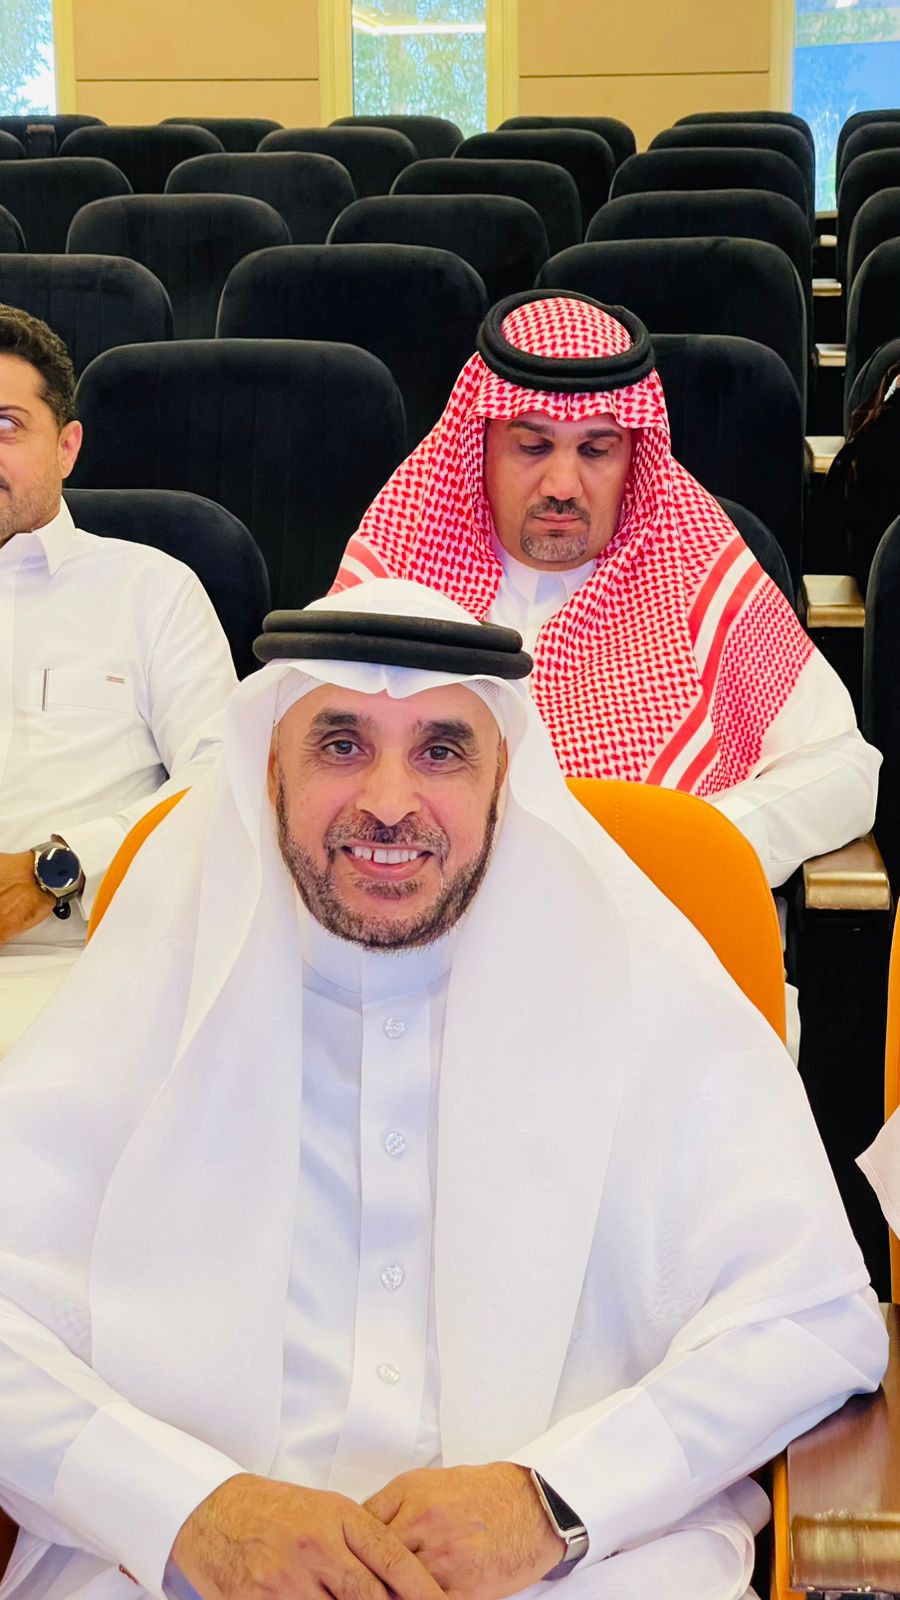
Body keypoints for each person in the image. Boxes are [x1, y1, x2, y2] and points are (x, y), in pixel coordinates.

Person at [0, 578, 886, 1600]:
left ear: (504, 776)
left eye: (441, 750)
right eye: (341, 744)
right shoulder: (162, 981)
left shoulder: (637, 986)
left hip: (570, 1575)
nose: (387, 802)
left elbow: (812, 1317)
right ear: (271, 772)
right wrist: (190, 1510)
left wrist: (553, 1500)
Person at [332, 291, 880, 895]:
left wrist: (686, 842)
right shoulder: (397, 570)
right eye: (533, 446)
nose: (562, 485)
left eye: (596, 450)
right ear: (479, 444)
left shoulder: (693, 568)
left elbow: (844, 769)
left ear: (633, 457)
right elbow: (296, 762)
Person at [0, 303, 237, 1055]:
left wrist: (56, 869)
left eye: (5, 425)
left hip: (86, 973)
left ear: (66, 446)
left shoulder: (152, 590)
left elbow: (224, 775)